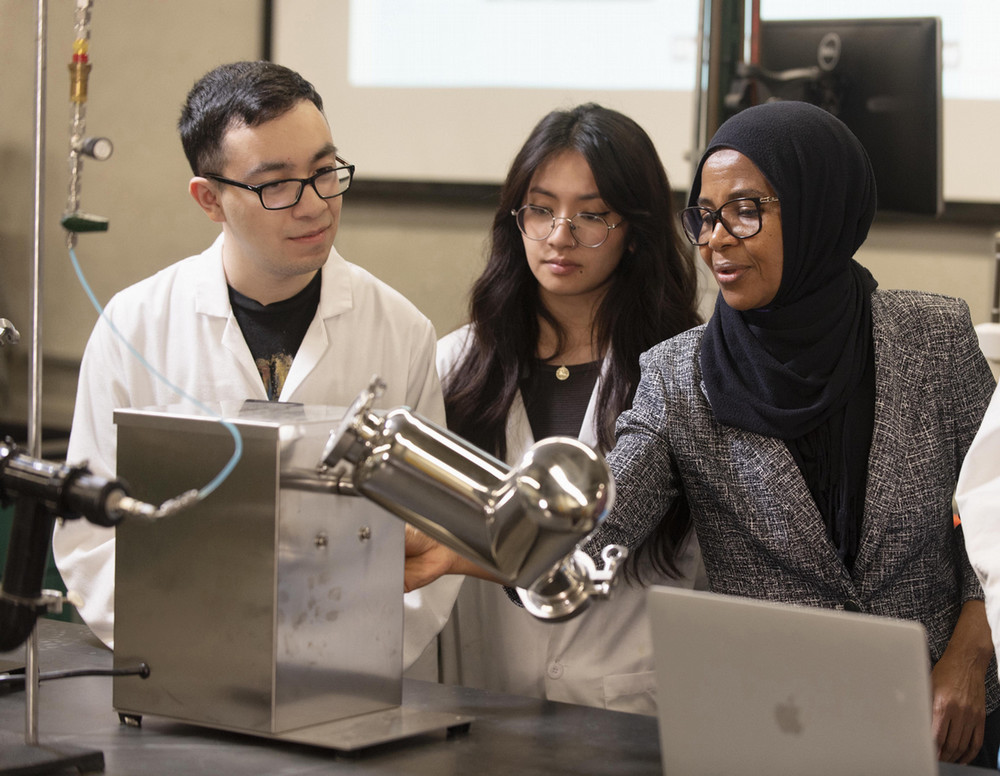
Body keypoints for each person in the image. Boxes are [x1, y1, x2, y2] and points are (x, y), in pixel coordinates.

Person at [406, 101, 1000, 766]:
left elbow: (990, 526)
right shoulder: (677, 374)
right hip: (775, 727)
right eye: (706, 216)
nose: (717, 238)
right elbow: (601, 528)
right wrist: (464, 547)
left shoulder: (935, 340)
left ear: (818, 208)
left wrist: (970, 657)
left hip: (945, 719)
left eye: (747, 210)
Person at [53, 61, 445, 651]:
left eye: (325, 171)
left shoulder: (400, 330)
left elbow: (429, 544)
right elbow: (90, 538)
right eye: (277, 185)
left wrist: (326, 648)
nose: (314, 205)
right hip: (178, 671)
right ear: (210, 200)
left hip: (346, 676)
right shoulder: (134, 326)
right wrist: (205, 641)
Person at [425, 103, 705, 714]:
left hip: (632, 708)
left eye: (592, 215)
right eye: (542, 209)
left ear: (635, 230)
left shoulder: (687, 370)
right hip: (482, 698)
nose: (560, 235)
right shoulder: (457, 364)